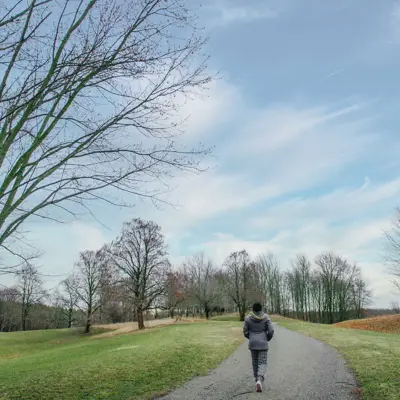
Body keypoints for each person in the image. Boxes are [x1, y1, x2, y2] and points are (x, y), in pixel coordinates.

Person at [243, 302, 274, 393]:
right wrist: (267, 338)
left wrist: (251, 337)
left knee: (255, 362)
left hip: (253, 343)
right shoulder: (266, 317)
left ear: (253, 309)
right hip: (263, 343)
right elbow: (271, 330)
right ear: (261, 309)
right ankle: (260, 379)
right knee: (262, 362)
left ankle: (257, 380)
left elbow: (245, 331)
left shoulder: (248, 318)